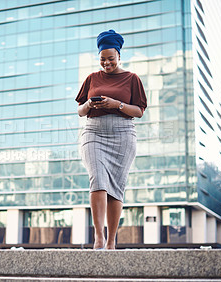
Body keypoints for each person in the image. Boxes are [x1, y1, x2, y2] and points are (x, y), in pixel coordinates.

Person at [75, 30, 147, 250]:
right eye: (102, 59)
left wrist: (117, 105)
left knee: (116, 187)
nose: (106, 63)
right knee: (97, 179)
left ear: (119, 56)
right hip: (94, 132)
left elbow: (140, 111)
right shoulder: (92, 78)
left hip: (122, 134)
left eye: (111, 59)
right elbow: (80, 110)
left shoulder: (132, 78)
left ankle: (111, 241)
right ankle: (98, 237)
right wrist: (90, 104)